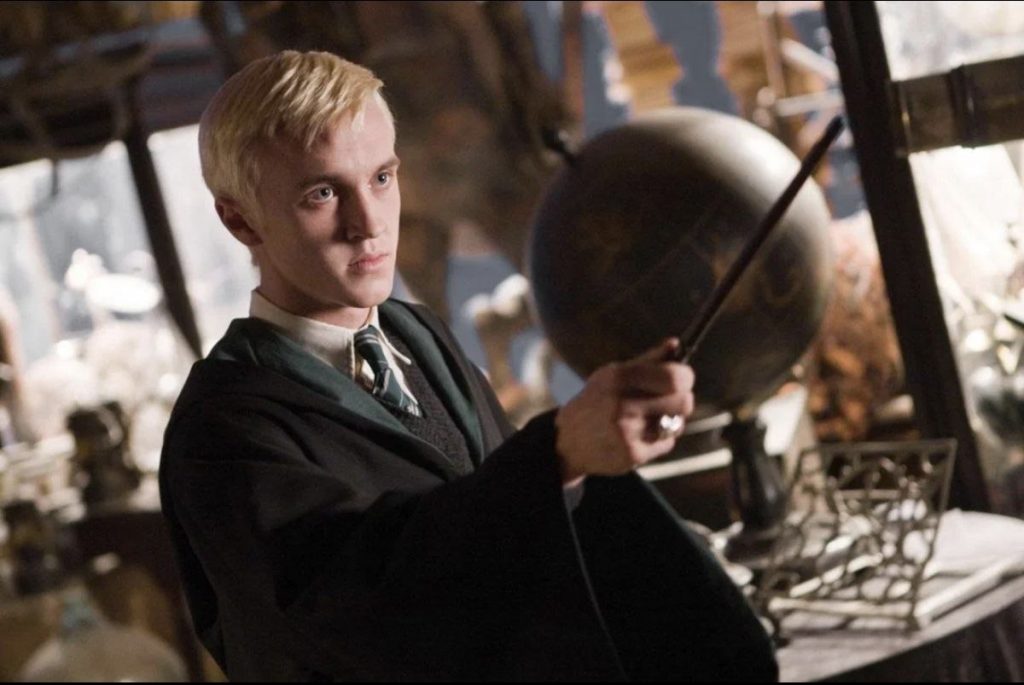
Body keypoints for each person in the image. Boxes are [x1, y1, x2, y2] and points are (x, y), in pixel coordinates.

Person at [159, 50, 777, 681]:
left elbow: (512, 557)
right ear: (240, 220)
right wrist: (556, 457)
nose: (369, 224)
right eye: (322, 193)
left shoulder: (418, 335)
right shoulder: (221, 432)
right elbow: (360, 611)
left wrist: (578, 469)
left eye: (382, 178)